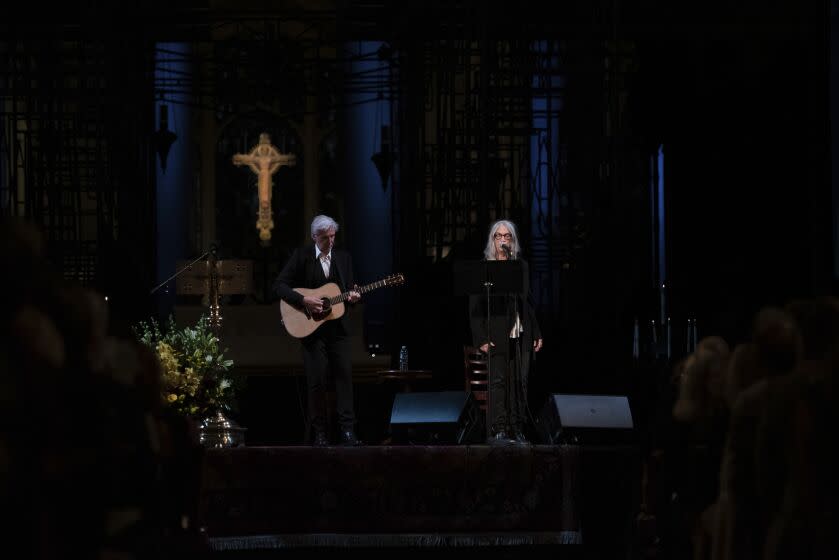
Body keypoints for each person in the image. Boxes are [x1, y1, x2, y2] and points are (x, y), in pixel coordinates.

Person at [273, 215, 362, 446]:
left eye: (333, 236)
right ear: (315, 237)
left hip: (338, 330)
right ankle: (320, 432)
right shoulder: (301, 256)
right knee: (317, 380)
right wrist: (304, 300)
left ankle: (348, 432)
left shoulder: (344, 258)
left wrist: (353, 297)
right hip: (312, 331)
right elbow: (279, 285)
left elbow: (347, 293)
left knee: (344, 378)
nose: (330, 242)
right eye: (325, 238)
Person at [469, 219, 543, 445]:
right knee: (498, 382)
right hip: (496, 333)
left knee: (519, 381)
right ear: (492, 240)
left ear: (513, 241)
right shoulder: (485, 268)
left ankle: (517, 426)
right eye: (498, 236)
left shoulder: (520, 266)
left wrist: (537, 332)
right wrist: (480, 338)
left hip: (521, 332)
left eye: (507, 236)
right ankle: (499, 428)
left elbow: (528, 302)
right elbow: (474, 307)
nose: (502, 240)